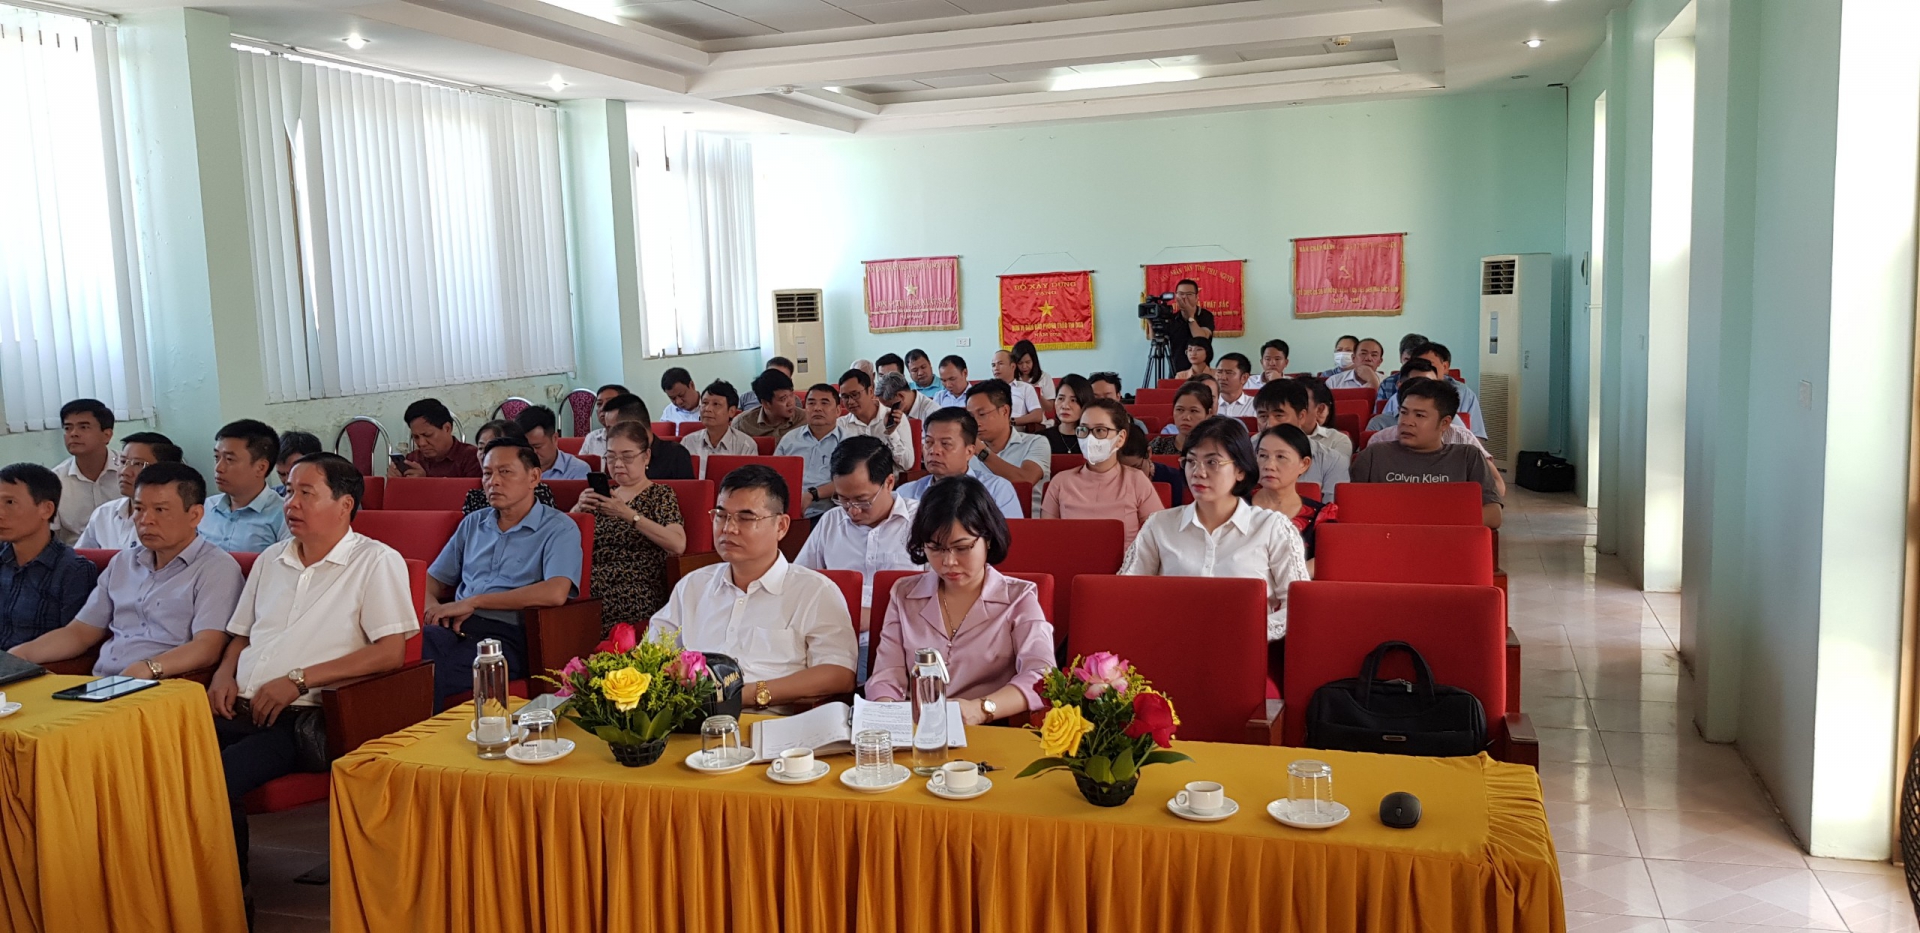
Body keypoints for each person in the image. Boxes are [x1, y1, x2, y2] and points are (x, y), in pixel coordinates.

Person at [207, 453, 418, 894]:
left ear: (345, 504)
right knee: (161, 761)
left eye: (307, 493)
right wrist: (223, 674)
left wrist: (299, 679)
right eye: (288, 492)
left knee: (214, 779)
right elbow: (241, 636)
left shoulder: (375, 561)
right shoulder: (270, 559)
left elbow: (389, 653)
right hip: (237, 706)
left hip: (304, 718)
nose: (291, 504)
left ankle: (228, 901)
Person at [648, 465, 856, 709]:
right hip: (693, 718)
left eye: (746, 518)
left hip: (773, 721)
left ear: (781, 526)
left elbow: (839, 673)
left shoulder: (814, 591)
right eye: (721, 516)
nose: (728, 528)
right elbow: (651, 655)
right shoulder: (693, 586)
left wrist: (746, 695)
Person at [12, 462, 242, 678]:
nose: (146, 520)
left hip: (163, 684)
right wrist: (20, 655)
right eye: (139, 508)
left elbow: (207, 646)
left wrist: (149, 668)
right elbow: (80, 633)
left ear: (195, 515)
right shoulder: (123, 562)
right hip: (103, 682)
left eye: (160, 510)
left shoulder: (216, 568)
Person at [866, 476, 1053, 725]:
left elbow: (1041, 674)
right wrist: (887, 713)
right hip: (914, 727)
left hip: (987, 726)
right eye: (935, 548)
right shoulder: (904, 593)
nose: (949, 562)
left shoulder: (1018, 598)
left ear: (988, 539)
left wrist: (982, 708)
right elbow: (886, 674)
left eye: (962, 548)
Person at [424, 438, 584, 707]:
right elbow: (432, 579)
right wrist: (433, 611)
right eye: (487, 473)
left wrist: (474, 602)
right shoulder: (474, 523)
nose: (493, 482)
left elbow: (556, 592)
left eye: (505, 472)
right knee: (406, 655)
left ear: (534, 477)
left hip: (507, 636)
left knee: (425, 673)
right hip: (453, 628)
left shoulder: (559, 528)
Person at [1122, 417, 1308, 642]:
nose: (1198, 472)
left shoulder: (1271, 527)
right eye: (1191, 461)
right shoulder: (1160, 525)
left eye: (1212, 462)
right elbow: (1126, 592)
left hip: (1245, 647)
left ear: (1240, 470)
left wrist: (1246, 631)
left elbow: (1298, 605)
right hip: (1171, 643)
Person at [793, 437, 919, 682]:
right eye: (842, 499)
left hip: (901, 639)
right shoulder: (831, 522)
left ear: (889, 482)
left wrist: (873, 616)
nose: (852, 510)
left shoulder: (922, 522)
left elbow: (940, 596)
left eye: (862, 500)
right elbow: (799, 582)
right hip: (833, 642)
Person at [571, 421, 684, 630]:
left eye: (627, 457)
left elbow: (677, 544)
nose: (618, 464)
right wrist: (577, 510)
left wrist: (627, 514)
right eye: (611, 457)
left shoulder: (660, 494)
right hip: (589, 583)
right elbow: (562, 542)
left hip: (635, 587)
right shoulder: (602, 496)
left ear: (646, 456)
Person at [1351, 378, 1503, 528]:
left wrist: (1429, 522)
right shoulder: (1374, 455)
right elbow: (1351, 509)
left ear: (1444, 423)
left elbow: (1493, 514)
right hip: (1386, 539)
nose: (1406, 422)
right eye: (1403, 412)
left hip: (1448, 540)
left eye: (1419, 415)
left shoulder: (1468, 457)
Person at [1040, 398, 1163, 549]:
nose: (1090, 438)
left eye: (1100, 430)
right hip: (1071, 561)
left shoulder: (1137, 481)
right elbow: (1048, 540)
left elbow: (1157, 539)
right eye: (1084, 430)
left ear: (1120, 438)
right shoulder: (1060, 482)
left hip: (1127, 562)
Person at [0, 464, 98, 649]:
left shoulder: (73, 570)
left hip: (31, 663)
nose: (1, 513)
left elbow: (75, 642)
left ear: (46, 509)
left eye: (10, 503)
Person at [897, 408, 1024, 518]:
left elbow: (1010, 536)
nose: (934, 451)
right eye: (929, 442)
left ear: (969, 452)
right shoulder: (906, 493)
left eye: (946, 444)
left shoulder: (996, 490)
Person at [76, 432, 182, 550]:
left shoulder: (179, 518)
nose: (124, 472)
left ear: (165, 469)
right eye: (122, 462)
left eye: (138, 464)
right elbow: (80, 557)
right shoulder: (104, 513)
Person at [1251, 379, 1351, 502]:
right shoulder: (1245, 452)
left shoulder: (1333, 461)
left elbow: (1331, 509)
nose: (1270, 424)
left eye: (1279, 416)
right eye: (1263, 416)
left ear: (1301, 416)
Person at [199, 420, 290, 554]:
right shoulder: (205, 508)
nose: (218, 468)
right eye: (216, 457)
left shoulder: (285, 515)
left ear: (261, 468)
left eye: (230, 459)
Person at [1252, 424, 1337, 562]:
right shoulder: (1234, 505)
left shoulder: (1320, 517)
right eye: (1263, 455)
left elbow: (1326, 561)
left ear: (1304, 464)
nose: (1268, 465)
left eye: (1281, 457)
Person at [1379, 341, 1488, 439]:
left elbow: (1477, 437)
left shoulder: (1464, 395)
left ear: (1445, 367)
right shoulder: (1397, 399)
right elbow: (1386, 422)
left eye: (1430, 365)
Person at [51, 398, 121, 545]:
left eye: (83, 427)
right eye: (68, 428)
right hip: (77, 555)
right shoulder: (54, 481)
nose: (73, 434)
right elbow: (50, 537)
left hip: (128, 553)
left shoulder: (129, 469)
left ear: (107, 435)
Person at [965, 380, 1050, 495]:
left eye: (982, 414)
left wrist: (981, 452)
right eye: (971, 417)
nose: (976, 423)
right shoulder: (967, 451)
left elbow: (1026, 481)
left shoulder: (1035, 442)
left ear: (1005, 411)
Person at [774, 384, 846, 518]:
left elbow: (850, 481)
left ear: (838, 411)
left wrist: (813, 494)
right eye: (811, 403)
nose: (817, 408)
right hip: (787, 510)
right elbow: (773, 475)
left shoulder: (848, 441)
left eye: (824, 403)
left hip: (829, 513)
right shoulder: (790, 439)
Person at [604, 394, 695, 481]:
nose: (608, 434)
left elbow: (686, 491)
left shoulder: (675, 455)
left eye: (612, 429)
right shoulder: (613, 456)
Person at [836, 368, 914, 471]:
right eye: (845, 397)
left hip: (888, 480)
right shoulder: (840, 425)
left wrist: (891, 433)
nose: (850, 402)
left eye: (855, 395)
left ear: (871, 391)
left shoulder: (895, 417)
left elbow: (907, 464)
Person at [389, 398, 481, 478]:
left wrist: (424, 483)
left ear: (447, 428)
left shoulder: (472, 457)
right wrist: (396, 482)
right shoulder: (413, 459)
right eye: (416, 437)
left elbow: (471, 492)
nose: (421, 443)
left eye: (428, 435)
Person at [683, 380, 758, 460]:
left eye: (716, 404)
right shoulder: (688, 442)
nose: (707, 409)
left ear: (731, 411)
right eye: (705, 403)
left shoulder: (745, 445)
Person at [515, 405, 589, 481]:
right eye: (526, 448)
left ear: (555, 439)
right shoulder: (513, 468)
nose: (532, 453)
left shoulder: (576, 470)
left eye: (537, 446)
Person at [1368, 359, 1442, 430]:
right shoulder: (1379, 424)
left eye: (1432, 385)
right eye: (1417, 384)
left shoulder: (1444, 423)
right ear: (1400, 386)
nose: (1424, 390)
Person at [732, 368, 805, 439]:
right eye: (783, 399)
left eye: (791, 395)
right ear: (766, 404)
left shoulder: (805, 419)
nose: (791, 403)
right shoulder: (742, 425)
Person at [1149, 381, 1213, 456]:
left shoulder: (1216, 449)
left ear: (1208, 414)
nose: (1185, 417)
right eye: (1180, 410)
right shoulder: (1158, 446)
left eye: (1194, 411)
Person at [1297, 376, 1353, 460]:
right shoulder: (1275, 436)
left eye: (1297, 402)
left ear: (1320, 409)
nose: (1290, 407)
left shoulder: (1337, 440)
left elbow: (1335, 467)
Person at [1164, 278, 1215, 368]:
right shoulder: (1172, 318)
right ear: (1176, 297)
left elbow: (1201, 339)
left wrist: (1190, 316)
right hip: (1177, 370)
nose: (1184, 297)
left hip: (1200, 371)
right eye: (1181, 294)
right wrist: (1151, 323)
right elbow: (1159, 341)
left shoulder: (1205, 315)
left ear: (1196, 297)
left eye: (1189, 294)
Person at [990, 350, 1046, 429]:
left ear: (1013, 366)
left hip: (1016, 432)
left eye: (1000, 363)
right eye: (993, 365)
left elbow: (1037, 415)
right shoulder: (987, 390)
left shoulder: (1025, 388)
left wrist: (1010, 422)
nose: (996, 368)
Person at [1373, 333, 1432, 406]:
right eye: (1407, 360)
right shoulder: (1387, 384)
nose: (1411, 364)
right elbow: (1380, 412)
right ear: (1400, 358)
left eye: (1417, 360)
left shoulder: (1441, 382)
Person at [1040, 374, 1094, 454]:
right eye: (1061, 398)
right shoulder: (1041, 439)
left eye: (1073, 400)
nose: (1065, 406)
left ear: (1085, 403)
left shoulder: (1094, 440)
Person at [1090, 371, 1151, 437]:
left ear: (1118, 396)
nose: (1101, 402)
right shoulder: (1083, 425)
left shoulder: (1136, 426)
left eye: (1107, 397)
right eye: (1095, 397)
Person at [577, 384, 630, 459]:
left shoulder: (637, 437)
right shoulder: (592, 438)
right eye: (599, 404)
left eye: (610, 403)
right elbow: (580, 465)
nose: (602, 408)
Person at [1009, 339, 1055, 415]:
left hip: (1038, 420)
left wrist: (1036, 394)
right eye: (1020, 363)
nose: (1024, 366)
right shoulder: (1010, 378)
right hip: (1016, 419)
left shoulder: (1044, 377)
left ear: (1034, 361)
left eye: (1028, 362)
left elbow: (1050, 408)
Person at [273, 431, 322, 496]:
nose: (287, 480)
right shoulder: (271, 498)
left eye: (293, 472)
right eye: (282, 474)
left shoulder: (332, 497)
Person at [1215, 352, 1257, 418]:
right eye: (1219, 372)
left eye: (1229, 373)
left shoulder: (1256, 405)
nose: (1222, 377)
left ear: (1244, 378)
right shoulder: (1208, 403)